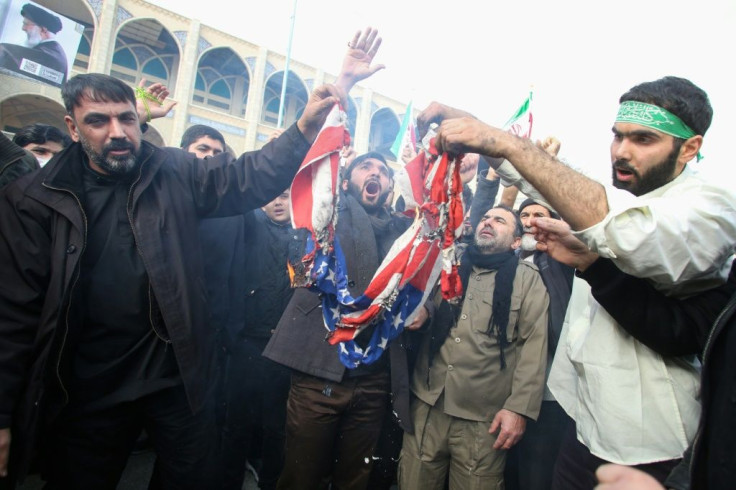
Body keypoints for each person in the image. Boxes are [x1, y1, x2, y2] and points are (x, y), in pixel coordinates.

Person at [0, 72, 341, 488]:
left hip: (176, 377)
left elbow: (245, 178)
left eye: (127, 119)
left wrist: (305, 125)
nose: (118, 132)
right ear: (72, 127)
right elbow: (13, 315)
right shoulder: (34, 199)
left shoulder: (173, 171)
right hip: (85, 388)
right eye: (98, 121)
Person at [420, 76, 736, 487]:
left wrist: (506, 142)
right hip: (583, 426)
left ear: (689, 148)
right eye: (618, 136)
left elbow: (628, 232)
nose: (622, 151)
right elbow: (544, 182)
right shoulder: (624, 197)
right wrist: (480, 132)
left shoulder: (708, 208)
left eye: (643, 139)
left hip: (651, 448)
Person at [529, 216, 736, 490]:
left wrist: (595, 265)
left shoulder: (693, 223)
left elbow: (677, 330)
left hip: (655, 440)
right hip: (587, 424)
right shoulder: (599, 226)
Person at [398, 204, 549, 489]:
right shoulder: (448, 264)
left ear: (516, 241)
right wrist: (427, 310)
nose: (488, 222)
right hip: (429, 405)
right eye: (485, 218)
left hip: (483, 419)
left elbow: (534, 347)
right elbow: (425, 300)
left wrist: (518, 410)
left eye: (500, 221)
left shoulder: (528, 280)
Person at [0, 4, 68, 85]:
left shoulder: (51, 57)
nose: (23, 28)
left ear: (43, 30)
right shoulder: (51, 50)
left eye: (26, 24)